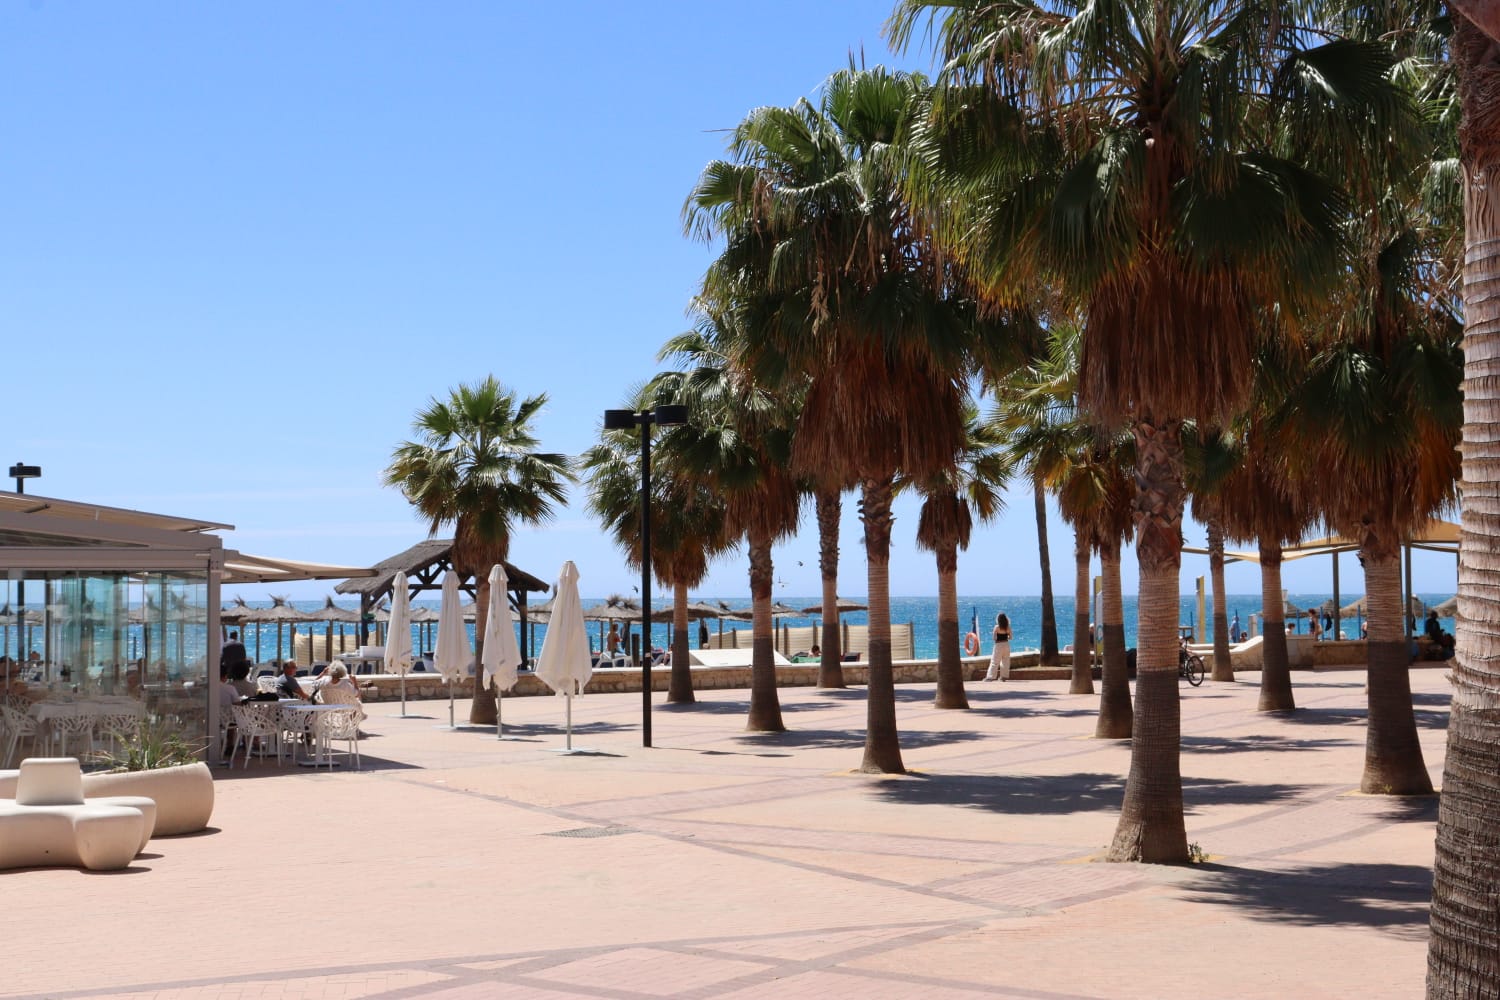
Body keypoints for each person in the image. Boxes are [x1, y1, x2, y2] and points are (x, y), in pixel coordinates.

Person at [984, 612, 1012, 681]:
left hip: (998, 645)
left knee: (994, 661)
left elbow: (994, 638)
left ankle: (990, 677)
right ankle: (1003, 677)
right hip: (1006, 644)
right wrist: (1006, 637)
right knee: (1005, 661)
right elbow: (1011, 637)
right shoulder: (1008, 627)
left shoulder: (996, 627)